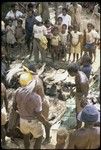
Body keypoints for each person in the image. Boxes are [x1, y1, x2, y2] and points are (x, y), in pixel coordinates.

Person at [12, 79, 51, 149]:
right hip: (33, 121)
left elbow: (14, 106)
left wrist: (21, 111)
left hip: (22, 120)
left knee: (26, 137)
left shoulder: (18, 92)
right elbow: (38, 115)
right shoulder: (36, 98)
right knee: (39, 138)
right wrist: (45, 122)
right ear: (35, 88)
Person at [67, 63, 89, 128]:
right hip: (78, 95)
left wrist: (74, 93)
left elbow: (85, 94)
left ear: (73, 72)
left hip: (82, 98)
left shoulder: (82, 81)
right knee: (77, 112)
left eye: (69, 73)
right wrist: (72, 85)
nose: (69, 74)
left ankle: (79, 127)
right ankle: (78, 125)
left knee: (79, 114)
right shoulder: (78, 74)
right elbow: (78, 85)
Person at [1, 83, 8, 147]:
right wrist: (7, 110)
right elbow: (6, 100)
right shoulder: (2, 86)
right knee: (2, 127)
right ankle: (3, 142)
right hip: (2, 110)